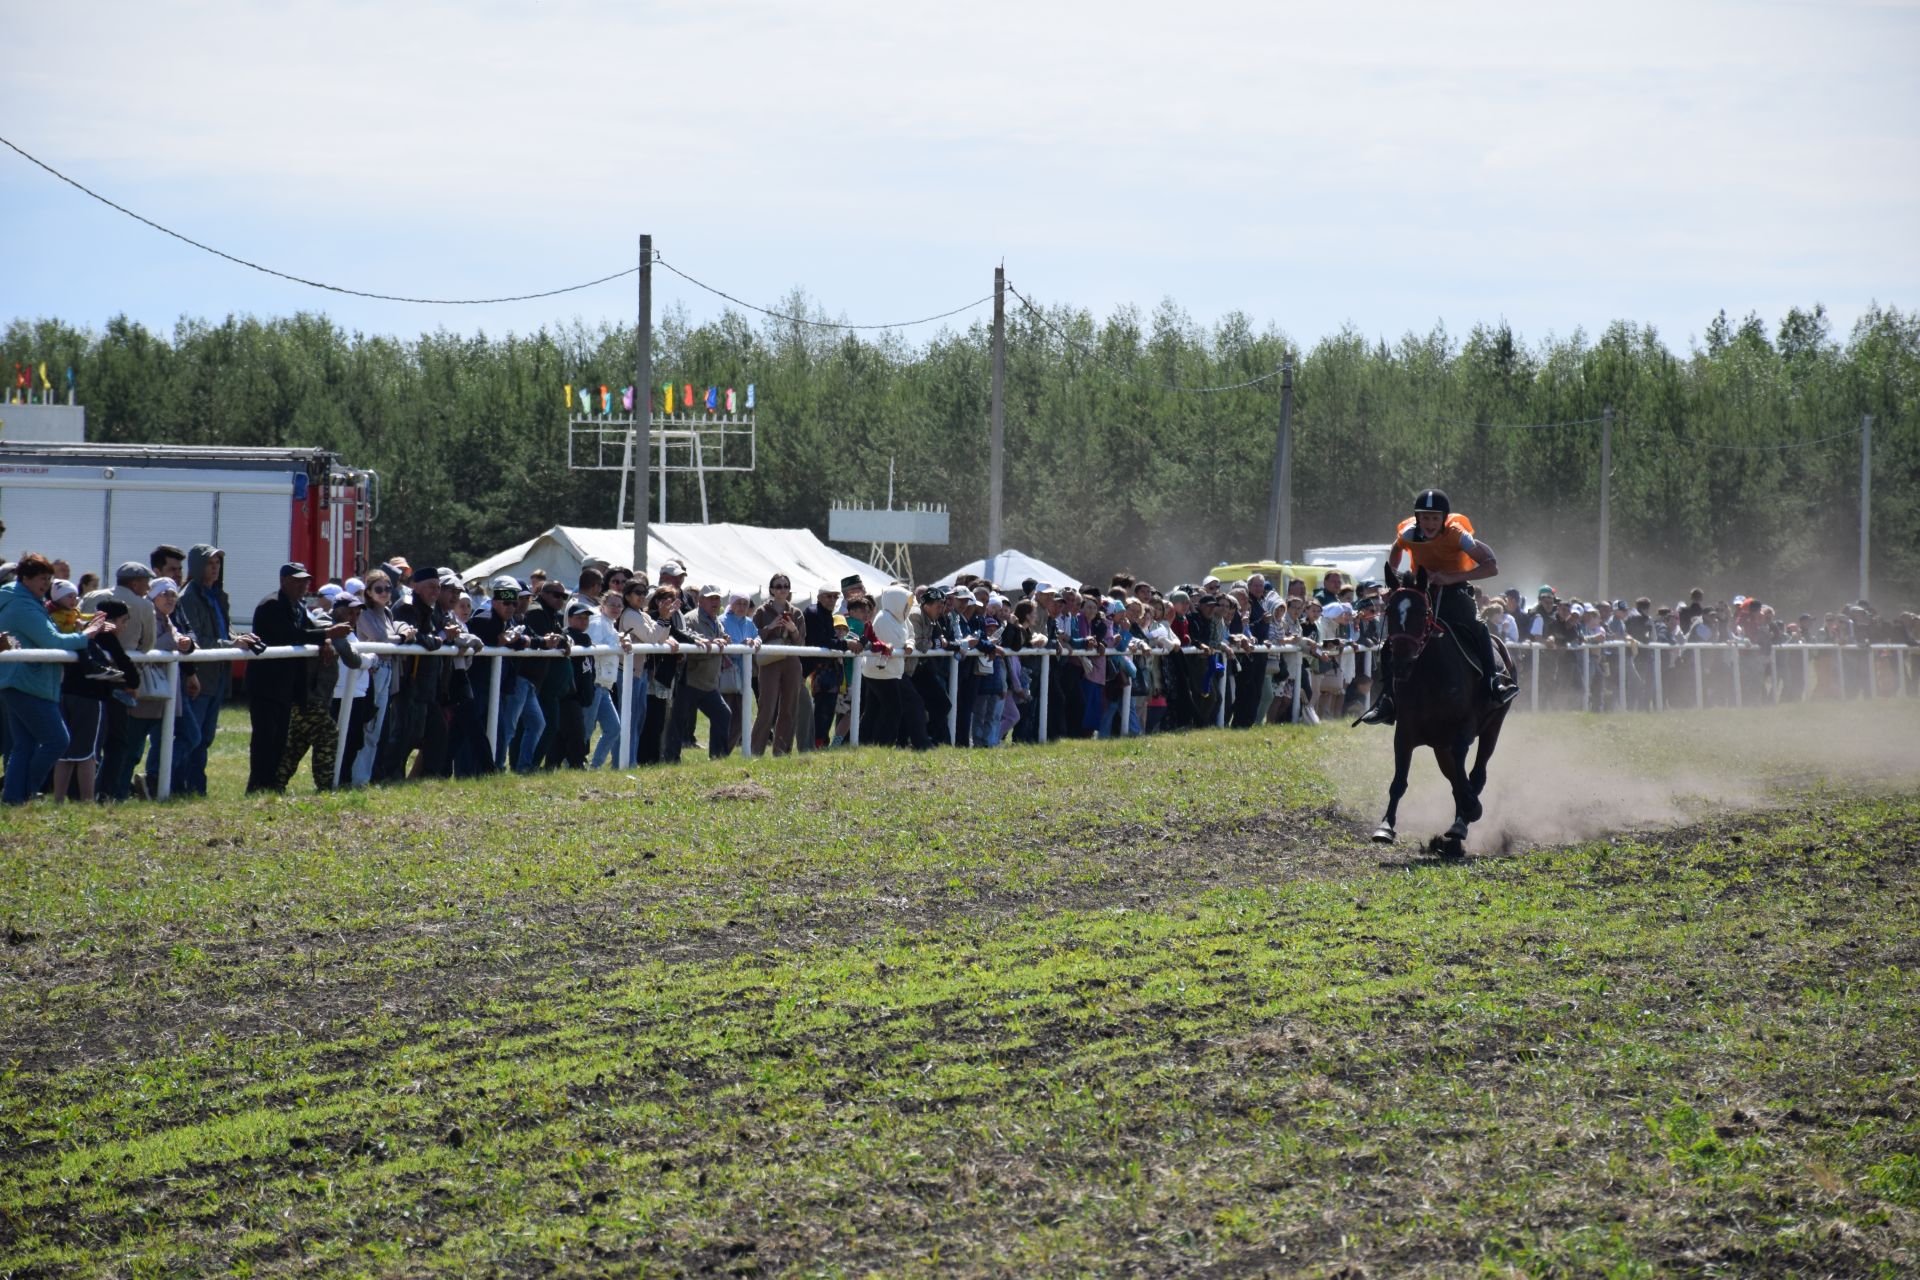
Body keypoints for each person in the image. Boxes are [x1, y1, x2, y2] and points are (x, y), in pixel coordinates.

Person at [1360, 489, 1519, 726]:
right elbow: (1395, 550)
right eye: (1425, 517)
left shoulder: (1458, 535)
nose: (1430, 523)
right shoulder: (1408, 533)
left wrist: (1450, 578)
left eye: (1435, 518)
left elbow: (1491, 567)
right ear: (1417, 518)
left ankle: (1495, 681)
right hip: (1421, 593)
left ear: (1444, 518)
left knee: (1478, 626)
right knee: (1395, 638)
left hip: (1456, 593)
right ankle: (1387, 699)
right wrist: (1391, 582)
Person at [0, 555, 115, 805]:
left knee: (24, 745)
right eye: (42, 579)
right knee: (57, 740)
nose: (46, 584)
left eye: (49, 579)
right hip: (26, 682)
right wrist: (88, 635)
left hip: (20, 681)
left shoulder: (28, 601)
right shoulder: (23, 607)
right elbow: (53, 641)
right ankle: (25, 791)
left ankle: (13, 797)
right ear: (26, 578)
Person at [246, 563, 350, 794]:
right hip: (266, 685)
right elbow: (288, 635)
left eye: (305, 581)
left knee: (280, 740)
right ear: (283, 581)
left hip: (287, 686)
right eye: (297, 581)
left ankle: (272, 787)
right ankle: (257, 788)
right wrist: (327, 634)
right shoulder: (271, 605)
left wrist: (326, 640)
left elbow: (309, 629)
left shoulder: (298, 606)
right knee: (265, 740)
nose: (303, 585)